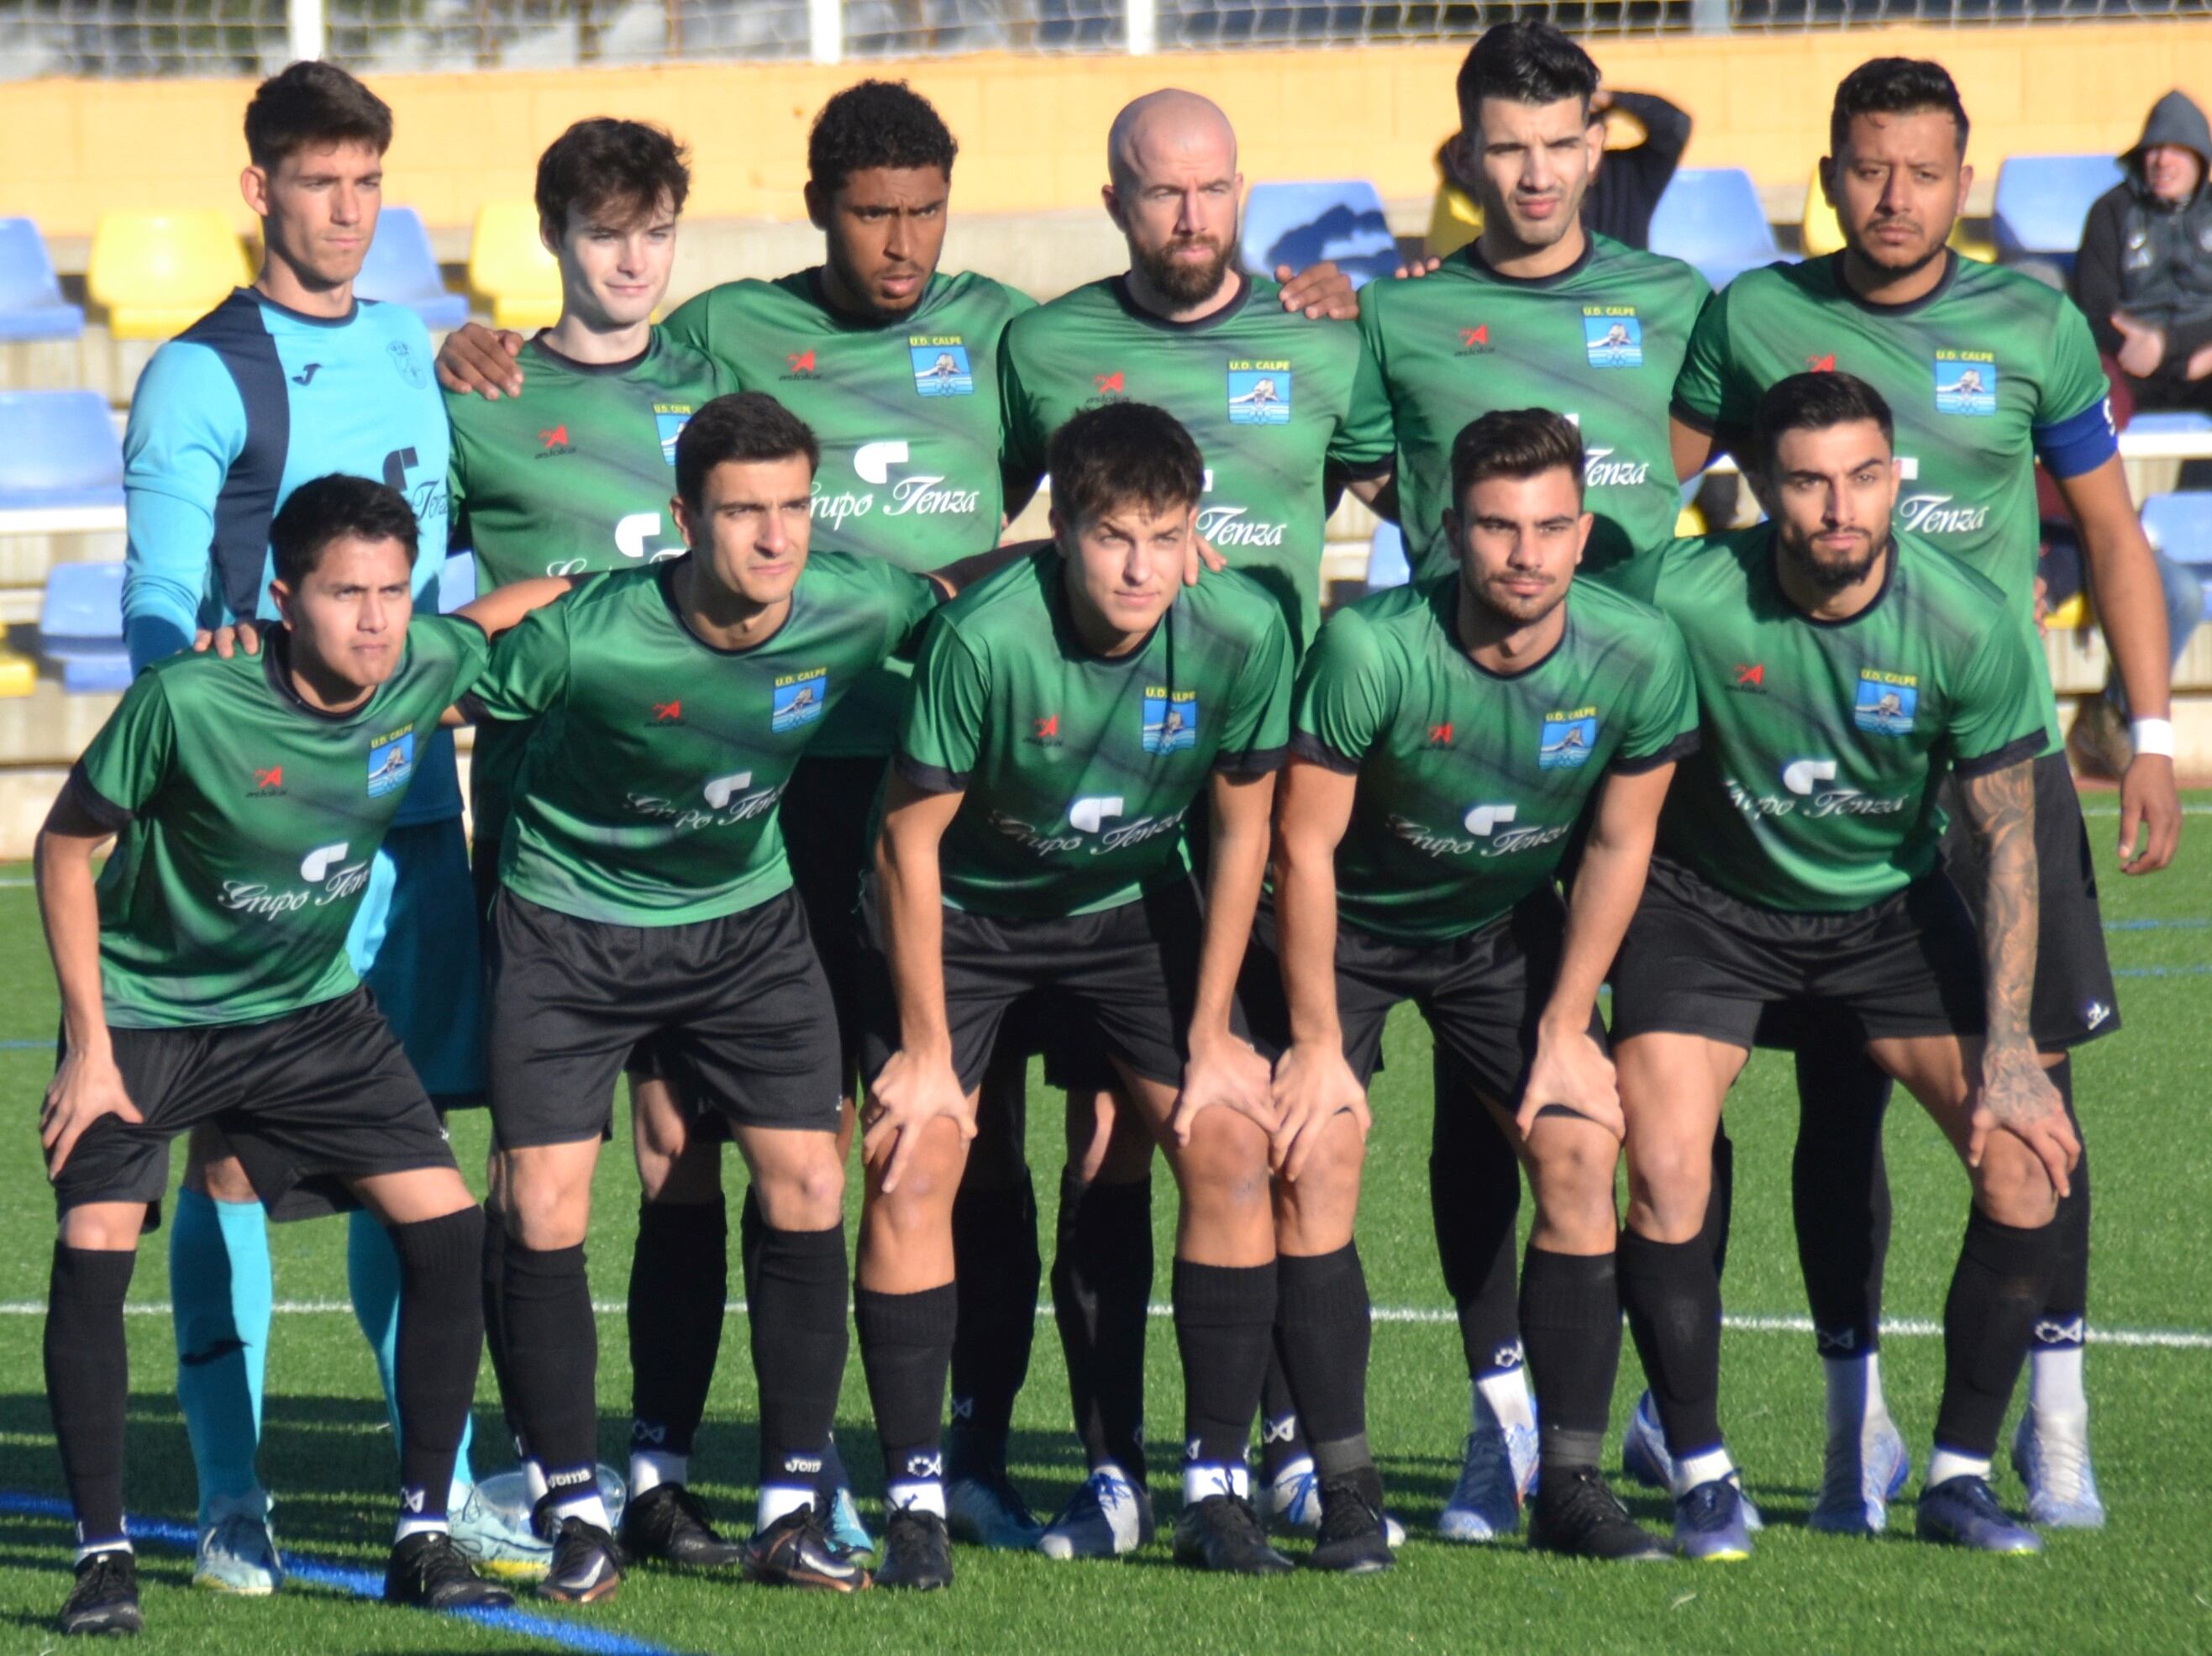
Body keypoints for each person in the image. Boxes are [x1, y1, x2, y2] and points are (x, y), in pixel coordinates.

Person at [1666, 55, 2180, 1532]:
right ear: (1824, 172)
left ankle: (2053, 1430)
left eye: (1921, 170)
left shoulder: (2029, 322)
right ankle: (1854, 1432)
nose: (1892, 197)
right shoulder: (1751, 315)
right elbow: (1654, 487)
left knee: (2035, 1093)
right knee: (1834, 1110)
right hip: (1816, 773)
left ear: (1964, 180)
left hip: (1986, 764)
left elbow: (2108, 528)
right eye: (1865, 166)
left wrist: (2142, 728)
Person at [468, 392, 1022, 1603]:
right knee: (546, 1196)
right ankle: (569, 1504)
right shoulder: (592, 634)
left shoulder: (848, 597)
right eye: (742, 513)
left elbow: (949, 591)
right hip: (569, 924)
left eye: (792, 509)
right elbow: (460, 660)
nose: (774, 539)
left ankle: (788, 1503)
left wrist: (1082, 539)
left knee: (811, 1176)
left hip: (745, 922)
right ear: (683, 519)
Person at [116, 60, 535, 1590]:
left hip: (412, 817)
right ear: (259, 191)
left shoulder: (422, 353)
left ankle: (446, 1472)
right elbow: (158, 604)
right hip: (258, 846)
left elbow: (489, 544)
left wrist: (502, 356)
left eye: (369, 183)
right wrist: (209, 710)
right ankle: (233, 1493)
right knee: (231, 1160)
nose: (347, 212)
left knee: (408, 1144)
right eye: (318, 182)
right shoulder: (198, 374)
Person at [36, 476, 565, 1636]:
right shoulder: (186, 698)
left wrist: (628, 587)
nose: (375, 621)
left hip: (312, 1012)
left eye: (391, 592)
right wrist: (87, 1045)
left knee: (446, 1227)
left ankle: (424, 1529)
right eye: (345, 594)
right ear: (282, 597)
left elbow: (494, 618)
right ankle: (105, 1552)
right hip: (150, 1011)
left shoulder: (419, 663)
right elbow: (67, 845)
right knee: (95, 1243)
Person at [989, 87, 1396, 1556]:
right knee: (1111, 1136)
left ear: (1245, 192)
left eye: (1214, 189)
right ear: (1112, 199)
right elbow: (981, 549)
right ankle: (1113, 1459)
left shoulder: (1320, 339)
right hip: (1109, 820)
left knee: (1292, 1123)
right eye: (1161, 192)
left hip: (1281, 808)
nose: (1189, 216)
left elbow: (1425, 492)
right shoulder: (1041, 350)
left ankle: (1280, 1437)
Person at [1348, 18, 1711, 1543]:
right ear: (1466, 153)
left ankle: (1658, 1414)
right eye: (1505, 147)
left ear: (1599, 143)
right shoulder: (1397, 320)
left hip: (1616, 744)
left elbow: (1687, 452)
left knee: (1650, 1097)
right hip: (1455, 761)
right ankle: (1507, 1418)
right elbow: (1360, 469)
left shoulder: (1676, 301)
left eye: (1563, 145)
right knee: (1469, 1113)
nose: (1535, 174)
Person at [1612, 371, 2077, 1559]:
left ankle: (1961, 1473)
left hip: (1884, 916)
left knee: (2026, 1157)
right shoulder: (1683, 590)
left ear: (1892, 480)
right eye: (1809, 481)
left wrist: (2015, 1050)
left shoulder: (1965, 619)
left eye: (1864, 477)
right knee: (1664, 1166)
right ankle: (1702, 1467)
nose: (1839, 507)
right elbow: (1529, 609)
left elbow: (2007, 834)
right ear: (1760, 487)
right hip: (1705, 907)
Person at [855, 402, 1294, 1587]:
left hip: (1122, 911)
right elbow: (909, 844)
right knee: (919, 1146)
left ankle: (1213, 1484)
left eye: (1165, 534)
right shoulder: (984, 638)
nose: (1141, 566)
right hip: (967, 912)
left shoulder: (1243, 627)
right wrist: (930, 1051)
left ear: (1197, 528)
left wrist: (1210, 1034)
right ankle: (915, 1494)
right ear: (1061, 529)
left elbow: (1246, 826)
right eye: (1111, 536)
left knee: (1231, 1141)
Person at [1250, 407, 1694, 1567]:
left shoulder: (1637, 651)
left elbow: (1616, 845)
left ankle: (1573, 1480)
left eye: (1550, 526)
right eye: (1496, 526)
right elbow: (1300, 850)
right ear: (1447, 531)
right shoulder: (1370, 649)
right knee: (1319, 1146)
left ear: (1583, 528)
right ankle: (1344, 1488)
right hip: (1343, 928)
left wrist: (1562, 1025)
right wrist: (1310, 1040)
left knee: (1580, 1143)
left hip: (1496, 931)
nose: (1524, 553)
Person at [442, 115, 755, 1571]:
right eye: (602, 230)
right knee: (539, 1176)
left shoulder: (720, 390)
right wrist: (452, 342)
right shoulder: (480, 396)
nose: (631, 258)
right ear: (553, 234)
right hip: (546, 851)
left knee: (683, 1150)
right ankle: (552, 1471)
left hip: (700, 848)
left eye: (653, 231)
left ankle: (661, 1468)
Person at [2074, 91, 2212, 413]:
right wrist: (2137, 350)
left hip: (2205, 361)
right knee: (2080, 403)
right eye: (2154, 149)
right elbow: (2095, 311)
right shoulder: (2111, 211)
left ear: (2200, 158)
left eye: (2178, 149)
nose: (2163, 161)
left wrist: (2169, 347)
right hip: (2130, 364)